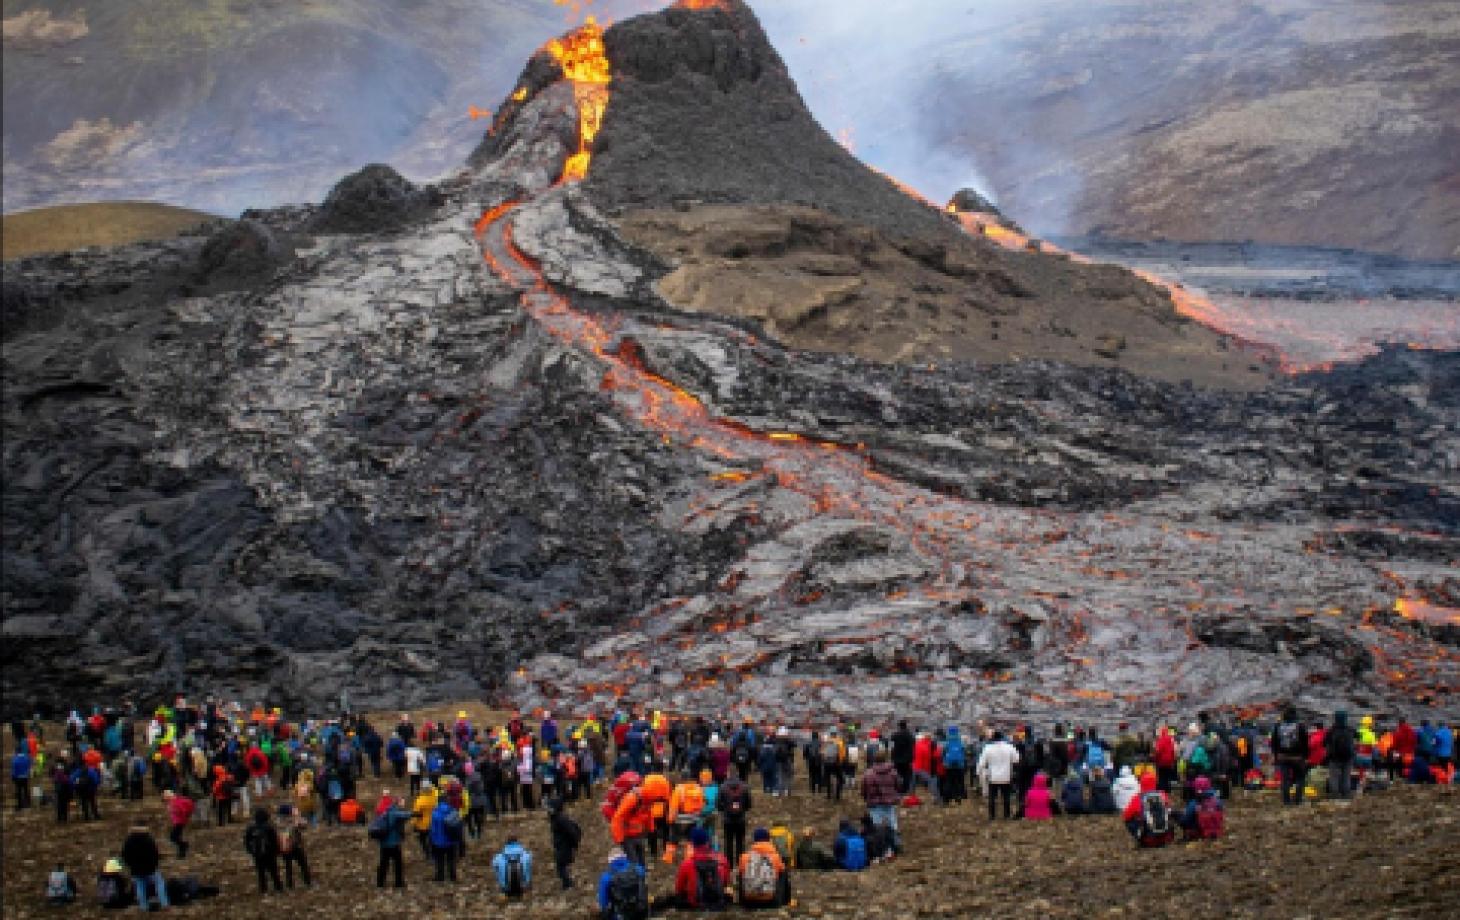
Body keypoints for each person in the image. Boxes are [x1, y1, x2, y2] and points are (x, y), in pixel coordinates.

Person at [674, 826, 731, 910]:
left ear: (692, 844)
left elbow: (679, 888)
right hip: (717, 900)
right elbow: (725, 882)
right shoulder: (722, 859)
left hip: (696, 902)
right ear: (708, 841)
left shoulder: (687, 863)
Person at [858, 750, 902, 851]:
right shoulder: (893, 772)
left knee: (876, 825)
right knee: (892, 822)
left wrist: (866, 798)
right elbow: (899, 785)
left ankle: (881, 846)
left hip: (874, 803)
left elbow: (863, 789)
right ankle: (895, 843)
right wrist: (894, 795)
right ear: (885, 759)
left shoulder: (868, 774)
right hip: (889, 801)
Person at [738, 827, 790, 908]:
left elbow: (741, 878)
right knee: (783, 871)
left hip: (749, 901)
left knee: (742, 873)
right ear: (768, 840)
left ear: (754, 840)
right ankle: (785, 900)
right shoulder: (775, 857)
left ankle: (742, 900)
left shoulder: (745, 857)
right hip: (771, 901)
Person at [121, 824, 170, 911]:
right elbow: (155, 854)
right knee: (159, 883)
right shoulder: (149, 840)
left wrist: (130, 866)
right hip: (150, 868)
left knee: (140, 886)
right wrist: (154, 865)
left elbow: (124, 856)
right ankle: (164, 903)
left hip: (136, 869)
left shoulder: (128, 841)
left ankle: (143, 906)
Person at [1122, 771, 1174, 848]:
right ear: (1155, 783)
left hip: (1148, 839)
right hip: (1166, 837)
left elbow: (1126, 816)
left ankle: (1140, 836)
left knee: (1129, 820)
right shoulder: (1162, 795)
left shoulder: (1138, 798)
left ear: (1141, 784)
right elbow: (1170, 809)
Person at [977, 730, 1020, 820]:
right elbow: (1017, 759)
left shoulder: (988, 748)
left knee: (992, 797)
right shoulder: (1009, 747)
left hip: (993, 776)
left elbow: (981, 763)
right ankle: (1006, 815)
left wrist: (980, 773)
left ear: (993, 738)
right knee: (1006, 797)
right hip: (1006, 775)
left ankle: (992, 815)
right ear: (1002, 737)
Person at [1271, 707, 1310, 806]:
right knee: (1300, 778)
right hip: (1297, 757)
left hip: (1283, 757)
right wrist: (1305, 756)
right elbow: (1305, 742)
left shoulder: (1278, 726)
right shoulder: (1300, 726)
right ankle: (1298, 800)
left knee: (1285, 779)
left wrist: (1276, 755)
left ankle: (1286, 801)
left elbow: (1274, 742)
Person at [597, 847, 648, 920]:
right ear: (624, 856)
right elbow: (644, 886)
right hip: (639, 909)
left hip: (620, 914)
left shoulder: (606, 877)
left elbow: (603, 902)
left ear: (610, 860)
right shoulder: (638, 869)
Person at [372, 797, 410, 889]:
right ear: (398, 803)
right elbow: (406, 815)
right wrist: (417, 813)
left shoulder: (387, 811)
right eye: (402, 803)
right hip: (393, 844)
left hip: (384, 843)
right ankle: (398, 883)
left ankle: (380, 883)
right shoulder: (396, 813)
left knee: (383, 863)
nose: (404, 804)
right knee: (398, 864)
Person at [244, 807, 284, 894]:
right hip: (269, 854)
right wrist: (277, 851)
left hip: (257, 854)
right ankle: (278, 887)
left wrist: (251, 852)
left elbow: (247, 842)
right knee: (274, 872)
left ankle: (263, 889)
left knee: (261, 873)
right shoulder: (269, 828)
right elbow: (274, 841)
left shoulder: (250, 828)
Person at [718, 771, 752, 868]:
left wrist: (725, 810)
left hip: (727, 819)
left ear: (728, 774)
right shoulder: (744, 787)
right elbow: (749, 805)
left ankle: (729, 864)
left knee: (728, 842)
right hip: (740, 819)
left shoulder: (723, 787)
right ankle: (740, 863)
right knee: (740, 842)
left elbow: (718, 805)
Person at [548, 798, 582, 890]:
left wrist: (575, 844)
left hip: (564, 846)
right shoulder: (557, 818)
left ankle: (568, 884)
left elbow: (572, 832)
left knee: (560, 866)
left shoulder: (560, 819)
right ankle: (567, 883)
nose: (548, 809)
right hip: (561, 846)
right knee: (561, 866)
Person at [1178, 776, 1225, 841]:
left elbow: (1185, 820)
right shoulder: (1218, 800)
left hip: (1201, 833)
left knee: (1180, 817)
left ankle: (1189, 835)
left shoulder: (1195, 802)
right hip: (1216, 832)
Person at [277, 803, 312, 888]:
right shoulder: (286, 822)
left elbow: (304, 825)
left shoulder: (280, 821)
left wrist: (298, 818)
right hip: (292, 846)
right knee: (302, 864)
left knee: (290, 867)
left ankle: (291, 885)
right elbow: (303, 825)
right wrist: (296, 820)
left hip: (286, 848)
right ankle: (306, 882)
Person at [428, 796, 461, 882]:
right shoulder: (453, 811)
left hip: (438, 842)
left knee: (439, 860)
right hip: (451, 840)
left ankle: (440, 877)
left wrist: (432, 839)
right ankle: (452, 876)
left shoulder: (435, 813)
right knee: (451, 859)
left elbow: (433, 829)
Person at [1326, 710, 1356, 799]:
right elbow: (1358, 736)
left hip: (1334, 757)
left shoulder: (1332, 730)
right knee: (1346, 776)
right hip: (1348, 757)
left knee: (1334, 776)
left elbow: (1325, 742)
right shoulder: (1350, 729)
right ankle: (1346, 794)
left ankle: (1335, 794)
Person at [163, 790, 194, 858]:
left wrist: (181, 816)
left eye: (165, 797)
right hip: (179, 821)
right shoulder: (175, 801)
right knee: (176, 837)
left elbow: (182, 811)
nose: (165, 798)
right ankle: (181, 853)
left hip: (179, 822)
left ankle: (183, 846)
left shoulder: (175, 802)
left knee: (173, 837)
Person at [12, 746, 31, 810]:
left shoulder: (15, 759)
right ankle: (27, 803)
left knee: (19, 791)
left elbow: (14, 770)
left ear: (17, 751)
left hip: (18, 777)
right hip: (25, 776)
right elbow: (29, 766)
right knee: (25, 790)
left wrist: (13, 776)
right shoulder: (26, 758)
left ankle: (20, 805)